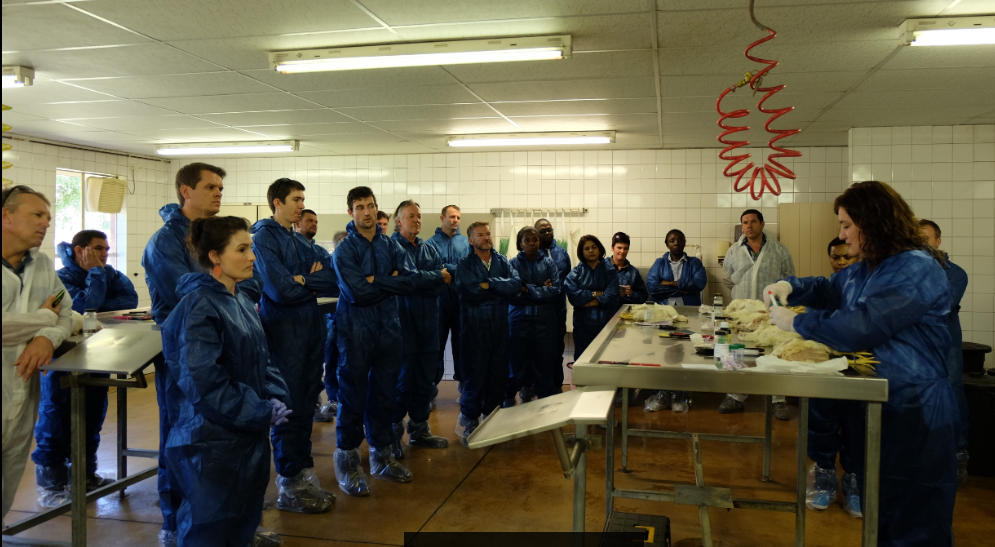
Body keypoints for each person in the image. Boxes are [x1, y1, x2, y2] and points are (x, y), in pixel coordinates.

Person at [766, 180, 958, 546]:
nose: (842, 234)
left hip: (915, 407)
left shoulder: (915, 268)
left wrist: (798, 322)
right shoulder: (867, 268)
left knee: (916, 516)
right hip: (877, 402)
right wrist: (788, 286)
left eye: (846, 225)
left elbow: (865, 325)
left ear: (873, 222)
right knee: (882, 507)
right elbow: (828, 288)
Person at [161, 216, 291, 547]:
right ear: (215, 256)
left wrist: (275, 396)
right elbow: (205, 383)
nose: (252, 257)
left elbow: (262, 358)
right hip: (210, 441)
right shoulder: (198, 306)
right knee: (210, 528)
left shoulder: (241, 301)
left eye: (251, 249)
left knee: (241, 520)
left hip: (246, 435)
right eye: (242, 249)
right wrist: (257, 411)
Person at [142, 163, 246, 547]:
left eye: (221, 187)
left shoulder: (213, 236)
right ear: (186, 191)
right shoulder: (165, 242)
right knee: (181, 437)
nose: (219, 192)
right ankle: (176, 524)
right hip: (184, 354)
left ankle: (220, 524)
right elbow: (189, 290)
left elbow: (247, 284)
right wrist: (226, 286)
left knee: (220, 438)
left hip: (223, 347)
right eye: (210, 187)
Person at [32, 230, 139, 507]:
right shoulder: (60, 278)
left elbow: (130, 300)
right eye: (98, 248)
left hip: (98, 356)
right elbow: (83, 305)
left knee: (91, 417)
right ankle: (52, 486)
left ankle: (85, 476)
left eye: (107, 249)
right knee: (56, 420)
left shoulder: (111, 274)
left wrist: (97, 297)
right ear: (80, 250)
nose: (105, 254)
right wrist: (96, 277)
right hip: (62, 362)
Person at [251, 179, 338, 514]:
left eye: (303, 199)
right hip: (284, 333)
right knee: (288, 407)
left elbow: (332, 277)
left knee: (305, 406)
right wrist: (305, 282)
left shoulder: (298, 240)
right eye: (296, 199)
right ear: (277, 202)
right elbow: (280, 290)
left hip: (310, 330)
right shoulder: (264, 239)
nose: (302, 205)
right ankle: (289, 484)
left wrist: (303, 279)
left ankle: (302, 474)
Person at [332, 186, 416, 496]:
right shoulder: (344, 250)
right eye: (360, 207)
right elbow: (357, 293)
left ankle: (382, 458)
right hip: (355, 333)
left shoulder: (391, 245)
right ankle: (348, 462)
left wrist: (375, 280)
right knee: (353, 396)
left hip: (388, 331)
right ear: (350, 212)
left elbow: (409, 281)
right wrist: (389, 282)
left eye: (370, 205)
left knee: (384, 395)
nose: (366, 212)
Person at [2, 186, 74, 523]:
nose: (46, 223)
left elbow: (65, 310)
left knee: (9, 471)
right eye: (37, 215)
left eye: (48, 217)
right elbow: (51, 313)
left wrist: (46, 337)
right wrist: (44, 319)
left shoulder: (43, 264)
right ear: (6, 216)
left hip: (22, 388)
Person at [806, 238, 864, 517]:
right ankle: (824, 483)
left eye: (846, 257)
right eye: (835, 257)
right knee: (821, 424)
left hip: (859, 369)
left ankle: (855, 487)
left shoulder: (866, 289)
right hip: (825, 369)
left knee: (857, 427)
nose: (840, 262)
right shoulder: (825, 290)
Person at [389, 200, 451, 453]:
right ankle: (392, 436)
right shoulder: (391, 248)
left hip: (429, 325)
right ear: (398, 221)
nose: (417, 220)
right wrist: (431, 278)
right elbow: (404, 283)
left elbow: (443, 282)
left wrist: (419, 281)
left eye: (419, 216)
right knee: (401, 382)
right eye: (411, 216)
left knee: (425, 380)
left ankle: (419, 430)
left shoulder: (428, 249)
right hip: (402, 324)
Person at [720, 209, 795, 418]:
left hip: (770, 312)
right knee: (739, 353)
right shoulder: (734, 250)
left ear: (762, 224)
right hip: (742, 313)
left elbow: (789, 278)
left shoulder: (779, 249)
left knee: (774, 353)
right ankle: (735, 396)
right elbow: (727, 278)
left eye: (753, 221)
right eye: (745, 223)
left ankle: (778, 401)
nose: (749, 226)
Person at [455, 222, 521, 447]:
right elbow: (471, 291)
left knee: (497, 377)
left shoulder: (502, 261)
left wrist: (489, 284)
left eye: (488, 234)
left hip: (500, 328)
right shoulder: (464, 264)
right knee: (475, 377)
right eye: (480, 235)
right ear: (470, 240)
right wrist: (499, 290)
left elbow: (515, 284)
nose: (486, 237)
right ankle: (470, 422)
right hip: (474, 330)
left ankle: (491, 420)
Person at [921, 219, 970, 489]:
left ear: (938, 241)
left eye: (926, 239)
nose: (921, 244)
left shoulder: (955, 273)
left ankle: (958, 454)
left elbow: (943, 304)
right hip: (916, 345)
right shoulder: (905, 269)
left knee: (953, 394)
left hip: (945, 344)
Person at [645, 229, 708, 413]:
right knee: (662, 352)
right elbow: (653, 287)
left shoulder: (694, 263)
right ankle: (662, 394)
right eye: (672, 240)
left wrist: (669, 283)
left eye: (680, 240)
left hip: (688, 315)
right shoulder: (659, 263)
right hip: (663, 314)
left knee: (685, 352)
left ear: (684, 243)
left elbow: (699, 284)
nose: (676, 243)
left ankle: (679, 395)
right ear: (667, 244)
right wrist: (682, 288)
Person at [504, 226, 562, 408]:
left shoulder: (549, 264)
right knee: (515, 362)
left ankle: (544, 401)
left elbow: (555, 291)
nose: (532, 243)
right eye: (527, 240)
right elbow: (511, 292)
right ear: (520, 244)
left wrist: (525, 288)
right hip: (518, 321)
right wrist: (540, 288)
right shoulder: (512, 264)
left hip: (544, 322)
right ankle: (508, 397)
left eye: (535, 239)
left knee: (544, 361)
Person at [293, 209, 341, 424]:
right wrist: (312, 279)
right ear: (297, 224)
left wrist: (308, 280)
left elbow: (332, 279)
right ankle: (297, 410)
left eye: (316, 221)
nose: (314, 224)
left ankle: (314, 404)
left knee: (315, 362)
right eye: (309, 221)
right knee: (298, 365)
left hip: (317, 316)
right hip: (294, 317)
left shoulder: (321, 252)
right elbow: (289, 283)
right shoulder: (291, 250)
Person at [426, 205, 470, 405]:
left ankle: (464, 385)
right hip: (439, 301)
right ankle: (430, 390)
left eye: (458, 217)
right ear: (442, 218)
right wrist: (451, 269)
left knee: (463, 345)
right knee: (435, 346)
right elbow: (433, 269)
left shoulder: (466, 243)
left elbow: (467, 268)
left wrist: (448, 268)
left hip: (461, 301)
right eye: (452, 217)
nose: (455, 220)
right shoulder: (430, 244)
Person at [564, 235, 620, 362]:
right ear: (581, 252)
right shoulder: (575, 273)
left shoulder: (610, 271)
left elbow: (612, 297)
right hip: (583, 327)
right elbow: (575, 298)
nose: (591, 250)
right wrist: (595, 294)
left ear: (599, 249)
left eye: (594, 247)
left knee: (606, 361)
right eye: (587, 248)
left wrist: (587, 303)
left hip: (607, 325)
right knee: (583, 361)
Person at [536, 218, 571, 396]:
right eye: (543, 231)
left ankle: (557, 384)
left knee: (558, 347)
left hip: (559, 307)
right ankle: (536, 386)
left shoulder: (562, 253)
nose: (547, 233)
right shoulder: (533, 254)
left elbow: (568, 277)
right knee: (539, 349)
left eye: (549, 230)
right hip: (540, 309)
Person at [319, 229, 349, 422]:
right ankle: (333, 399)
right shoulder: (330, 265)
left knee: (348, 362)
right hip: (332, 320)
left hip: (352, 321)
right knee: (331, 359)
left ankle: (346, 399)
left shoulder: (357, 265)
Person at [607, 232, 648, 308]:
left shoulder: (633, 272)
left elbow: (644, 296)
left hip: (626, 312)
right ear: (612, 248)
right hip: (605, 311)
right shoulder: (602, 268)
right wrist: (612, 292)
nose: (622, 251)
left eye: (625, 248)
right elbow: (594, 293)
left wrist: (631, 294)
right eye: (619, 248)